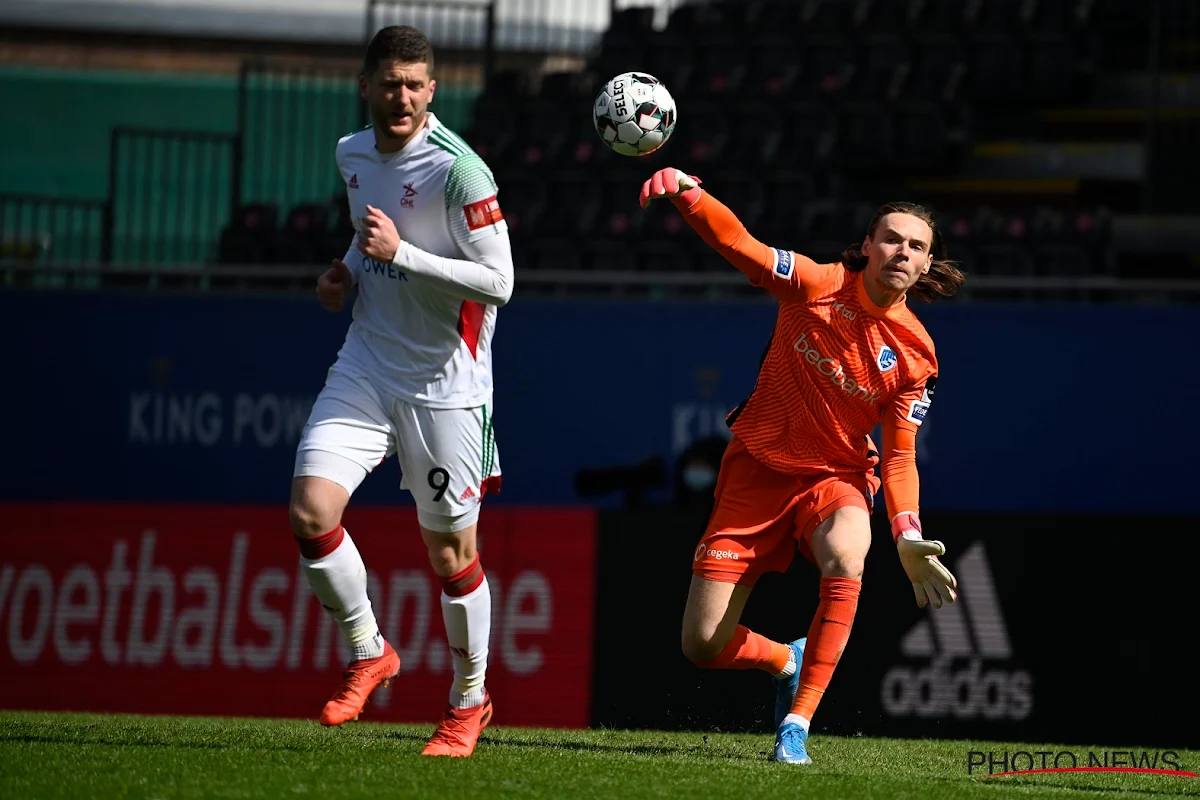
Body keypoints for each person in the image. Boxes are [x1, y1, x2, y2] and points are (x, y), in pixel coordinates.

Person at [640, 168, 962, 765]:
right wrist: (691, 194)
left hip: (835, 477)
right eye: (892, 238)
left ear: (926, 266)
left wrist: (909, 533)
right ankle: (785, 660)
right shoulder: (816, 283)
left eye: (917, 246)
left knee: (847, 555)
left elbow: (897, 456)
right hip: (756, 470)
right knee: (702, 645)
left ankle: (798, 723)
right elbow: (743, 247)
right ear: (867, 245)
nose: (902, 251)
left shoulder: (917, 355)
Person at [288, 25, 513, 758]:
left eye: (416, 85)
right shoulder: (351, 154)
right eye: (390, 83)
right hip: (366, 362)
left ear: (433, 92)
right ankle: (369, 650)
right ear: (366, 86)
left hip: (446, 383)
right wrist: (347, 271)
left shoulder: (461, 172)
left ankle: (469, 702)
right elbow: (365, 233)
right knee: (310, 510)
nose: (403, 97)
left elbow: (501, 283)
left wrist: (402, 255)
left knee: (451, 556)